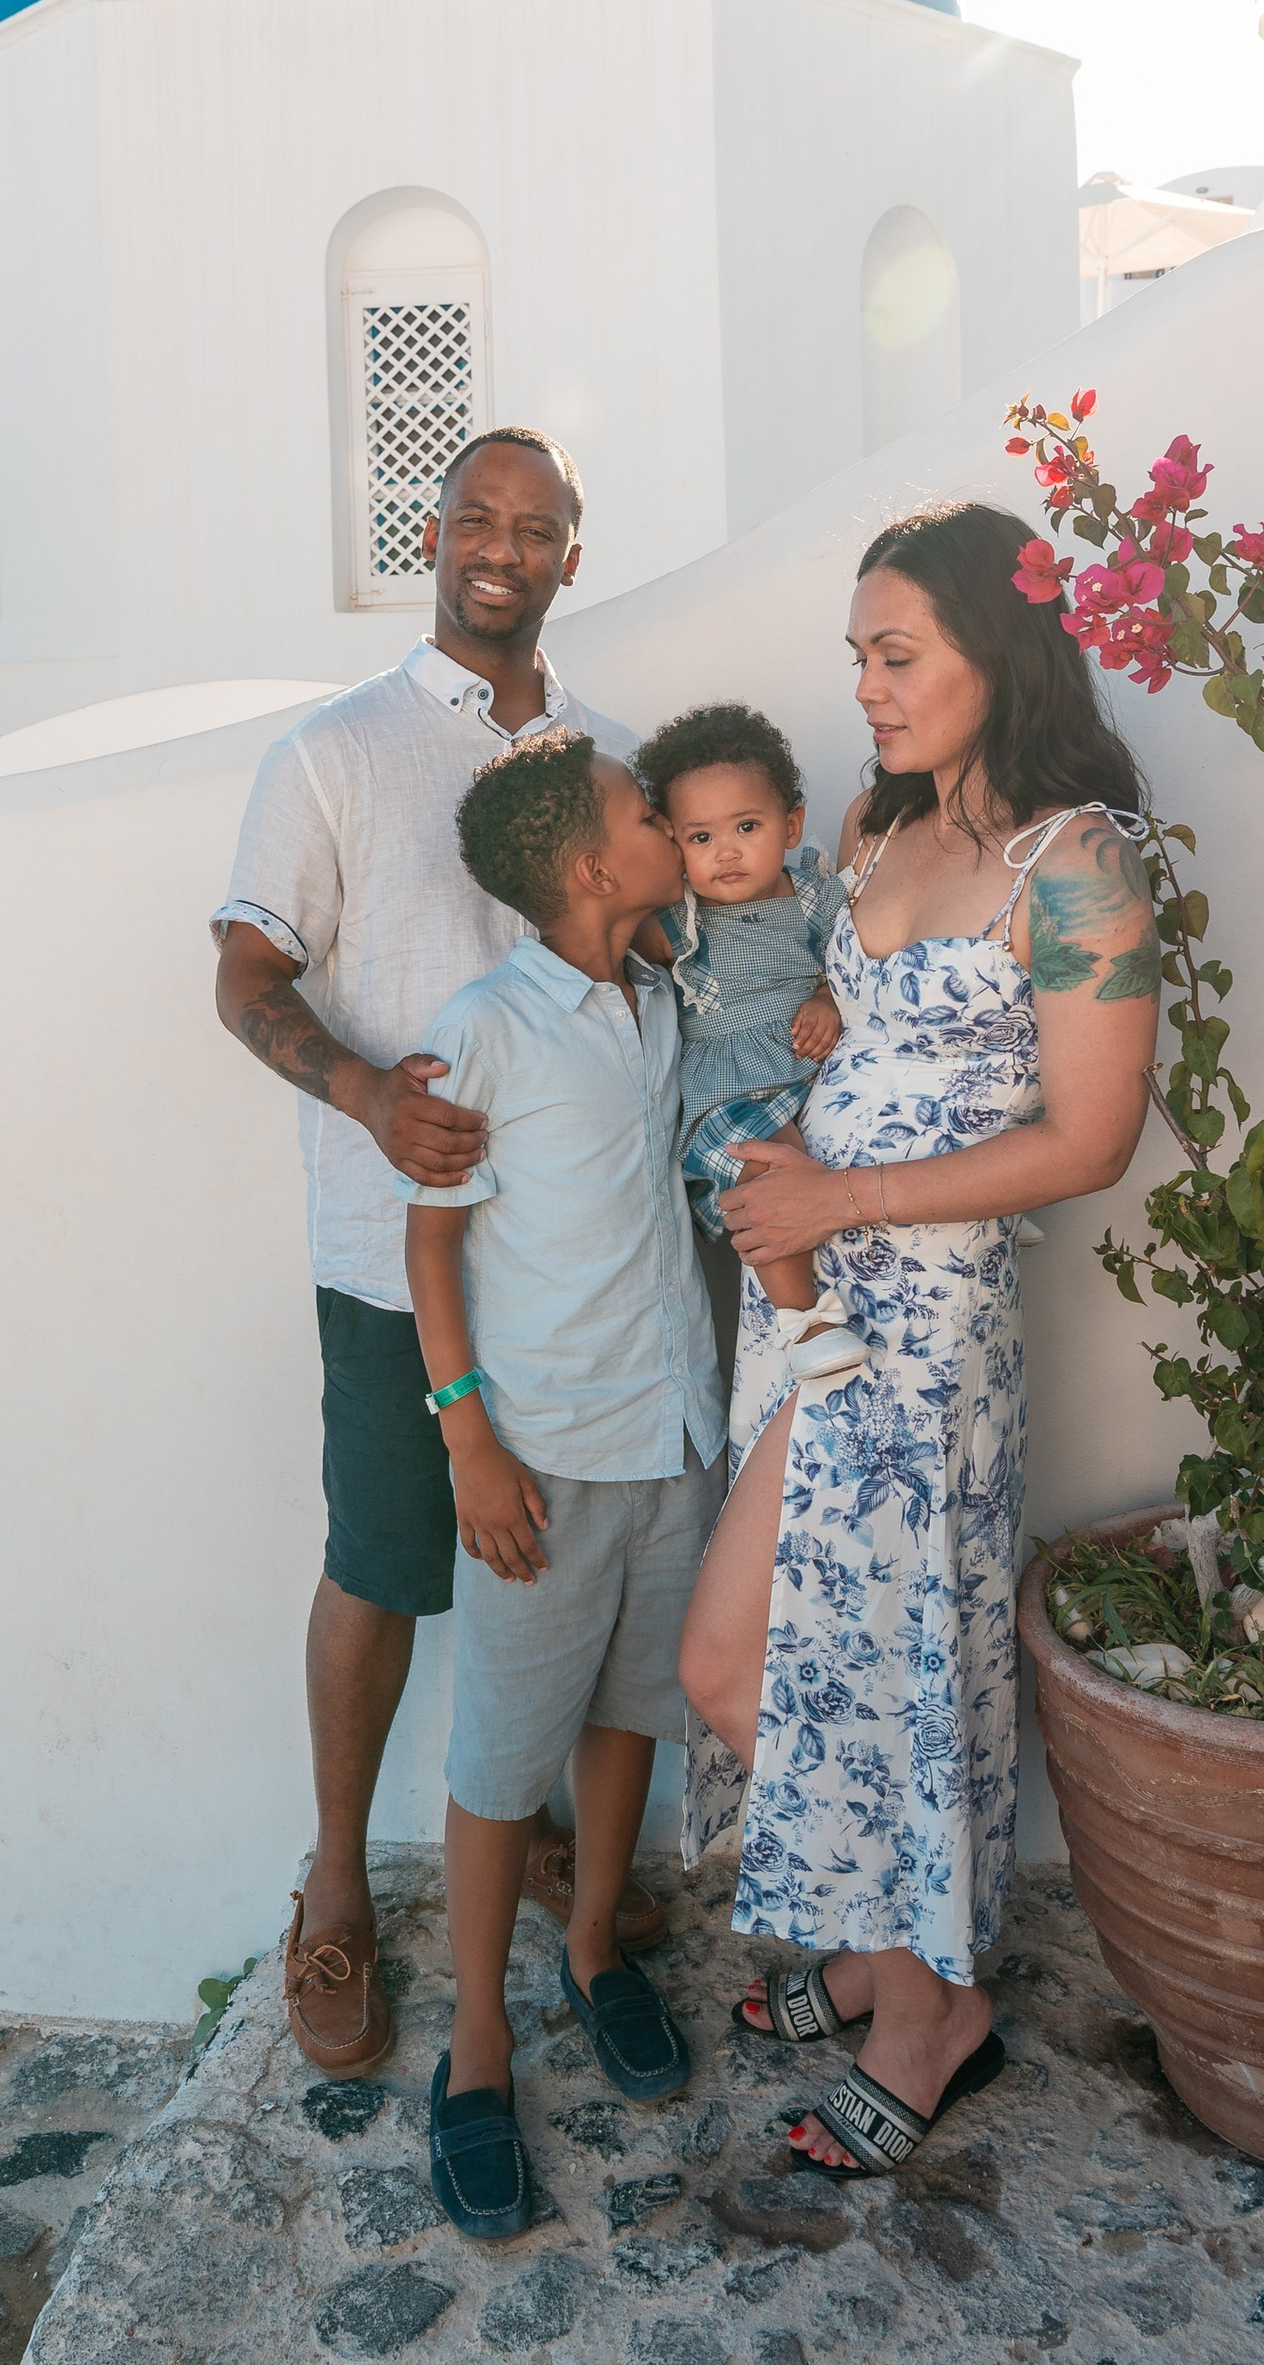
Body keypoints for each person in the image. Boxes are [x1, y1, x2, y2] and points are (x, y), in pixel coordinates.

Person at [676, 500, 1159, 2180]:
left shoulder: (1079, 859)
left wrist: (839, 1194)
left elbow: (1089, 1138)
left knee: (854, 1667)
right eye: (859, 657)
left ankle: (929, 2004)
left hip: (924, 1330)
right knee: (785, 1664)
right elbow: (839, 1009)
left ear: (994, 650)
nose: (869, 688)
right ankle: (891, 1961)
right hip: (813, 1311)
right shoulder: (879, 825)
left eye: (900, 653)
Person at [212, 428, 658, 2078]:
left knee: (555, 1565)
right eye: (477, 515)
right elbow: (247, 974)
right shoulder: (335, 751)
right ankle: (335, 1878)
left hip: (583, 1269)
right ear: (434, 532)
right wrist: (359, 1093)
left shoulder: (609, 761)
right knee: (387, 1564)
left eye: (535, 526)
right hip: (391, 1260)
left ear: (568, 557)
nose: (502, 545)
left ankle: (532, 1829)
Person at [399, 732, 724, 2235]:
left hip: (673, 1434)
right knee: (500, 1755)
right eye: (644, 814)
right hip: (538, 1456)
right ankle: (478, 2038)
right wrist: (467, 1433)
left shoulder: (664, 993)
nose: (669, 825)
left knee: (628, 1707)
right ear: (594, 864)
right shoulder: (485, 1028)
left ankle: (594, 1943)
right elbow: (432, 1236)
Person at [633, 700, 863, 1390]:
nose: (726, 850)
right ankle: (804, 1321)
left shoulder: (816, 898)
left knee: (889, 1101)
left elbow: (857, 961)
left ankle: (974, 1208)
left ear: (790, 824)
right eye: (700, 838)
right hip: (728, 1087)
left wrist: (826, 996)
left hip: (809, 1062)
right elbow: (602, 935)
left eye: (747, 826)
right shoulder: (678, 918)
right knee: (766, 1170)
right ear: (673, 842)